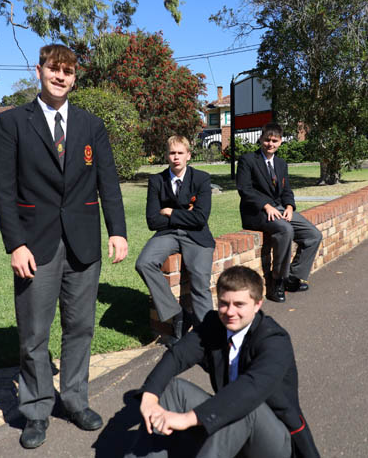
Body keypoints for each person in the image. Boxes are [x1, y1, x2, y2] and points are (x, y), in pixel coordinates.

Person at [0, 44, 128, 449]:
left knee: (81, 327)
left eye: (68, 71)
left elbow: (108, 181)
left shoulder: (91, 125)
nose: (60, 76)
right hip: (35, 245)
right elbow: (3, 189)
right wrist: (15, 244)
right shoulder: (12, 123)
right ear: (39, 71)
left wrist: (117, 230)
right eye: (54, 69)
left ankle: (75, 399)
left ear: (74, 78)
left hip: (84, 242)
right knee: (34, 333)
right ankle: (36, 410)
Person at [125, 266, 319, 458]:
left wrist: (187, 419)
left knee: (243, 407)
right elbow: (178, 356)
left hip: (273, 441)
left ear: (257, 304)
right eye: (224, 303)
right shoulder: (215, 324)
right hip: (229, 430)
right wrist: (149, 397)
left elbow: (250, 389)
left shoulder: (274, 340)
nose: (230, 312)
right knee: (173, 389)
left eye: (239, 304)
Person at [135, 135, 215, 344]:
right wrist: (185, 215)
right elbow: (153, 221)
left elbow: (200, 218)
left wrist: (170, 212)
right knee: (144, 263)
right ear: (166, 156)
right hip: (167, 234)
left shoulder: (201, 179)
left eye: (180, 153)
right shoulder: (156, 181)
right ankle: (177, 314)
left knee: (200, 280)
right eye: (172, 153)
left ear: (188, 155)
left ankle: (206, 335)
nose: (176, 157)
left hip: (196, 236)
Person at [236, 123, 322, 303]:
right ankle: (278, 282)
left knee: (313, 235)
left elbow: (286, 190)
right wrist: (266, 206)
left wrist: (289, 207)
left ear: (281, 142)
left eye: (274, 141)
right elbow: (244, 189)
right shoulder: (248, 160)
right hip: (257, 211)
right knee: (285, 230)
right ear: (261, 139)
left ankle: (293, 276)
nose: (270, 144)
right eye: (267, 140)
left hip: (281, 209)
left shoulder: (281, 163)